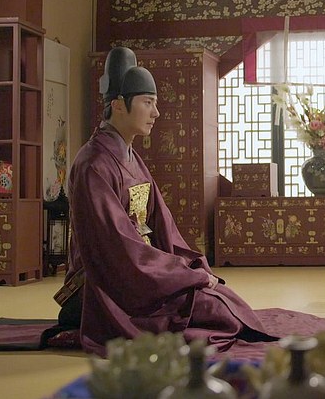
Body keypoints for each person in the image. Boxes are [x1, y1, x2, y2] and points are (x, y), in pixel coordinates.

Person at [47, 47, 276, 356]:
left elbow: (163, 227)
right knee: (217, 314)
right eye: (148, 102)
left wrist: (194, 267)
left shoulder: (132, 157)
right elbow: (117, 248)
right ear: (118, 105)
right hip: (109, 284)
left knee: (222, 299)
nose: (156, 113)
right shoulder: (94, 165)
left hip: (143, 273)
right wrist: (183, 276)